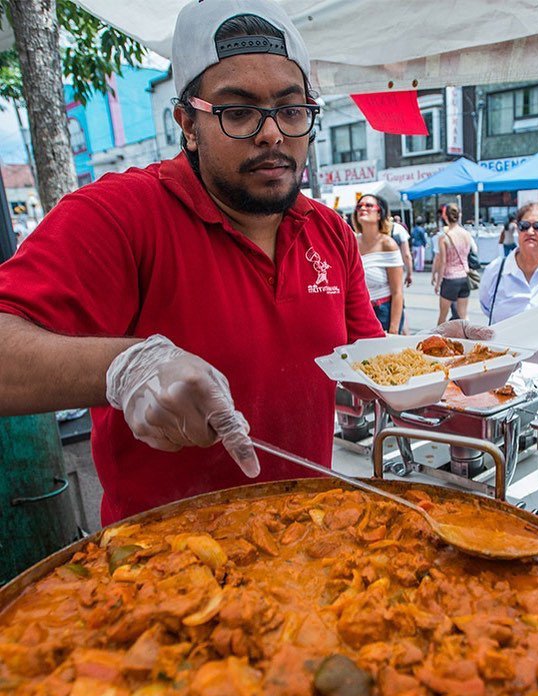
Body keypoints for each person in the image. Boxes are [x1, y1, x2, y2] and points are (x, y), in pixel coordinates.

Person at [0, 1, 484, 525]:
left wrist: (433, 356)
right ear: (188, 123)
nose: (272, 133)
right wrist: (123, 367)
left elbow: (365, 362)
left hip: (310, 537)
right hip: (166, 561)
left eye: (291, 110)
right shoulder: (119, 215)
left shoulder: (330, 232)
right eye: (239, 112)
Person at [352, 194, 404, 333]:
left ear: (379, 214)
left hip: (383, 312)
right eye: (359, 206)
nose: (363, 208)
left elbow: (397, 292)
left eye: (368, 205)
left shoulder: (388, 244)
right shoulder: (351, 243)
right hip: (359, 313)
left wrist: (394, 328)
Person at [432, 203, 474, 325]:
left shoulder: (444, 237)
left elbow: (443, 261)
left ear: (445, 217)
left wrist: (438, 282)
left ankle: (439, 341)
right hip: (464, 277)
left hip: (450, 279)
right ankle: (468, 339)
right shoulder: (466, 234)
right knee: (463, 316)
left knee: (442, 317)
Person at [390, 216, 413, 286]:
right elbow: (406, 255)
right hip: (395, 267)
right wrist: (409, 273)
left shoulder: (369, 229)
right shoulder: (398, 228)